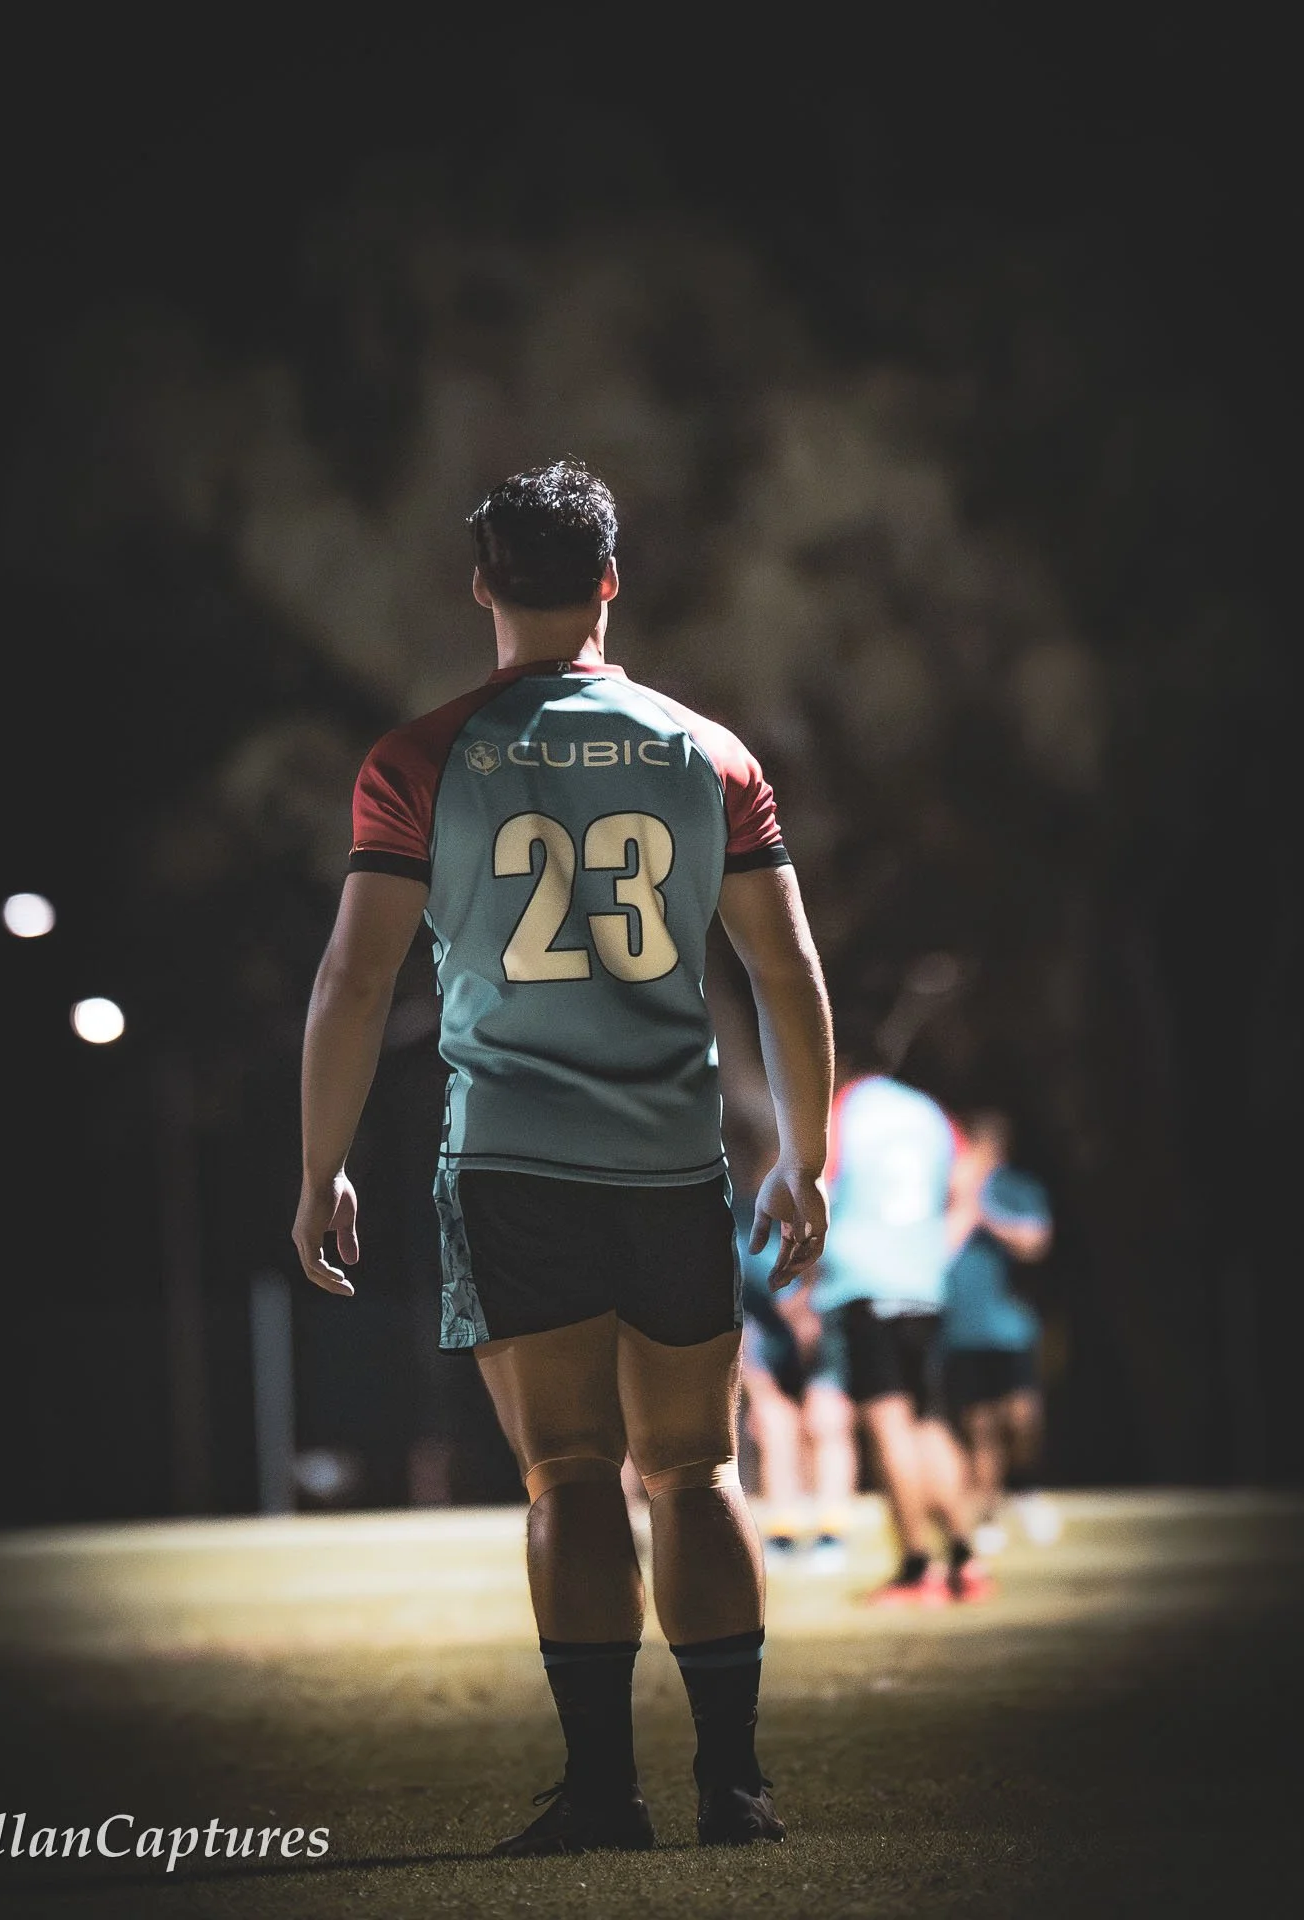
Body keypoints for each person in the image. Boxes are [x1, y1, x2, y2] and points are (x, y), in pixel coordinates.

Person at [291, 461, 834, 1854]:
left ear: (481, 585)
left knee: (572, 1475)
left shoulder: (419, 757)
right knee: (697, 1470)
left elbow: (356, 985)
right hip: (667, 1162)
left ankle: (603, 1795)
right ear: (609, 579)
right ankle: (736, 1785)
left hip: (518, 1164)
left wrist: (319, 1167)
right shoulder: (708, 751)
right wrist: (807, 1155)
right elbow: (787, 973)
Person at [809, 1048, 990, 1605]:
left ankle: (917, 1568)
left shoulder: (844, 1108)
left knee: (888, 1422)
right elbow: (970, 1183)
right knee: (930, 1421)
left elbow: (814, 1182)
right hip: (922, 1284)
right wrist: (935, 1251)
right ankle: (966, 1559)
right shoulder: (930, 1114)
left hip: (866, 1282)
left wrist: (812, 1266)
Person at [942, 1109, 1057, 1552]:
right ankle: (987, 1511)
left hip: (1010, 1328)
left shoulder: (1016, 1189)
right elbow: (939, 1251)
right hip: (960, 1329)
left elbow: (1035, 1242)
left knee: (1022, 1417)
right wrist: (963, 1206)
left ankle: (1026, 1490)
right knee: (978, 1424)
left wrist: (986, 1216)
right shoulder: (947, 1196)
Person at [735, 1184, 856, 1567]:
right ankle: (782, 1533)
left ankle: (831, 1534)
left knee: (828, 1419)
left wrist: (811, 1321)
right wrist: (761, 1390)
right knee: (773, 1423)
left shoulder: (835, 1281)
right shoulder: (750, 1248)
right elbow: (747, 1336)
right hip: (767, 1347)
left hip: (826, 1347)